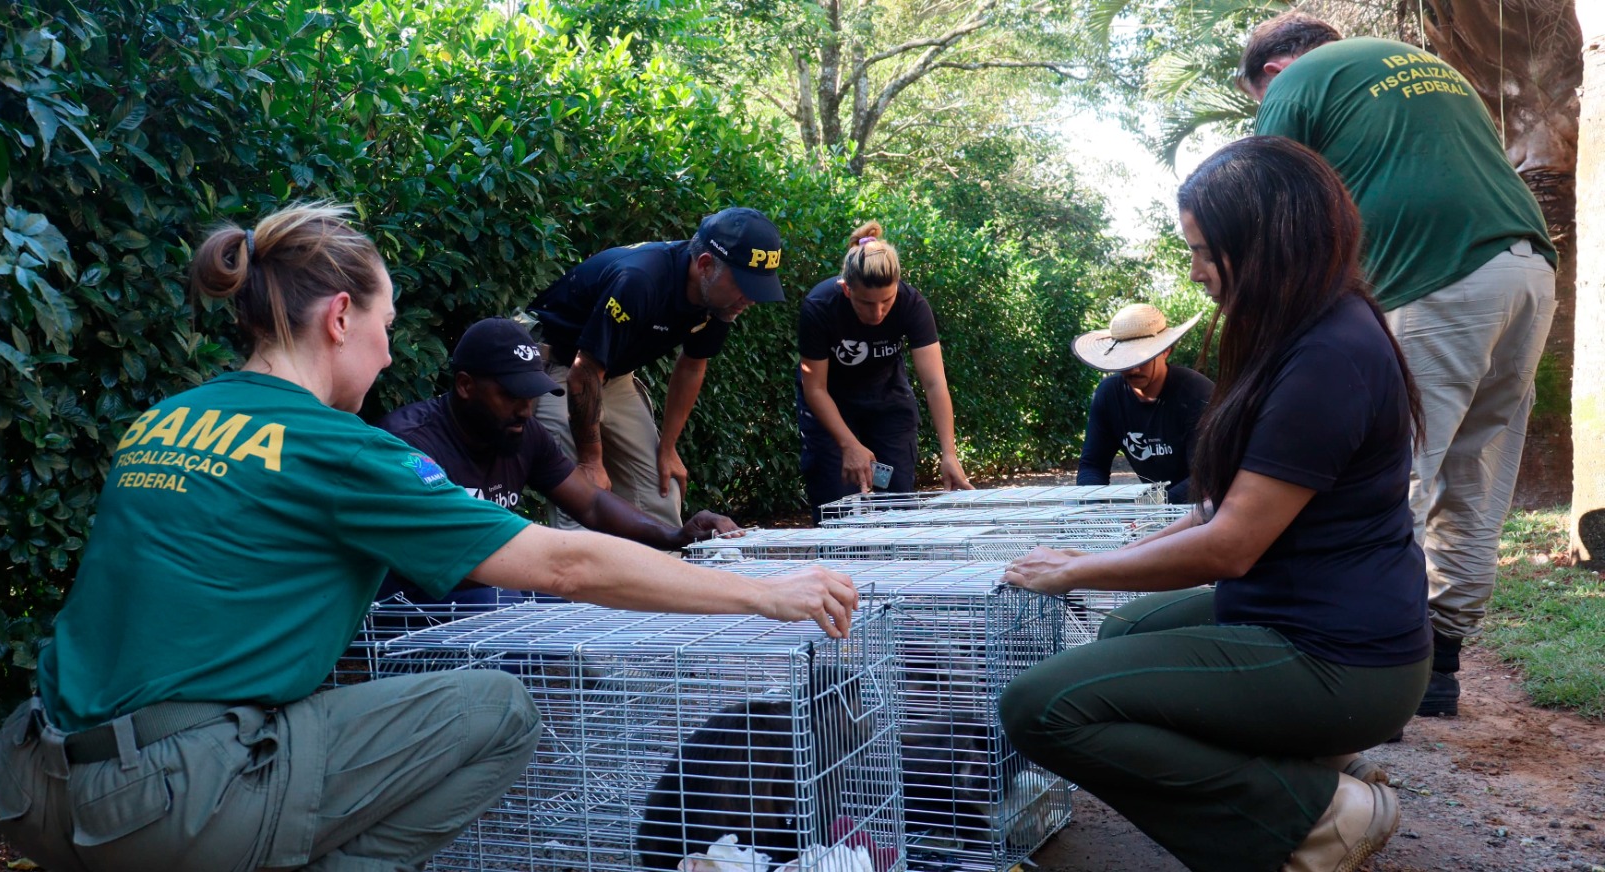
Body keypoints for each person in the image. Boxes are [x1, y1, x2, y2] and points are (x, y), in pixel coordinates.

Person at [0, 203, 857, 872]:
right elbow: (564, 559)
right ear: (338, 320)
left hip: (35, 780)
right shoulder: (338, 448)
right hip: (160, 803)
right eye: (387, 327)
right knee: (498, 711)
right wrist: (766, 595)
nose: (393, 357)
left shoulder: (166, 419)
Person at [998, 138, 1430, 872]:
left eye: (1204, 252)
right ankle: (1320, 764)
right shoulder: (1295, 331)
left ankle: (1318, 819)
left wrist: (1079, 574)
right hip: (1300, 615)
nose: (1196, 273)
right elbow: (1215, 509)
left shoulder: (1328, 355)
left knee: (1039, 706)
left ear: (1266, 242)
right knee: (1127, 631)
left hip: (1342, 658)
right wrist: (1107, 559)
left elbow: (1230, 544)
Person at [1240, 12, 1558, 718]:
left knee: (1392, 477)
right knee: (1477, 475)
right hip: (1526, 269)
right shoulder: (1426, 69)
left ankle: (1370, 668)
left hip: (1435, 280)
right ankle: (1441, 666)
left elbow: (1265, 210)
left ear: (1272, 71)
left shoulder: (1298, 82)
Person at [376, 317, 744, 608]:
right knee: (503, 600)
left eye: (532, 396)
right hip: (411, 605)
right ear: (465, 385)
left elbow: (593, 503)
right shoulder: (410, 445)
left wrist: (674, 535)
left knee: (578, 602)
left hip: (498, 586)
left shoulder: (523, 432)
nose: (525, 410)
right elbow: (441, 558)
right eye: (511, 395)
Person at [527, 207, 785, 530]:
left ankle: (658, 575)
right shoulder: (641, 281)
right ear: (705, 265)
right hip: (558, 367)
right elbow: (584, 372)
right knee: (581, 499)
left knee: (661, 493)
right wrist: (591, 460)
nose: (752, 299)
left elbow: (692, 366)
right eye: (746, 285)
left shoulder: (720, 301)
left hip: (610, 374)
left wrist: (668, 446)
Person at [796, 221, 971, 517]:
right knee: (839, 506)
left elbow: (934, 383)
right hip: (832, 408)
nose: (877, 313)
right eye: (866, 303)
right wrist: (849, 444)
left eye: (886, 301)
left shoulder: (912, 304)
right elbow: (815, 387)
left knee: (895, 501)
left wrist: (949, 453)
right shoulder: (820, 306)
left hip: (888, 405)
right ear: (846, 289)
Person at [1071, 303, 1213, 502]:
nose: (1133, 369)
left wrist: (1148, 510)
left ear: (1166, 352)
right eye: (1124, 359)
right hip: (1158, 506)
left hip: (1208, 507)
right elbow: (1093, 465)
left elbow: (1205, 479)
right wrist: (1094, 506)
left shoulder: (1197, 394)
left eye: (1142, 358)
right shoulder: (1109, 395)